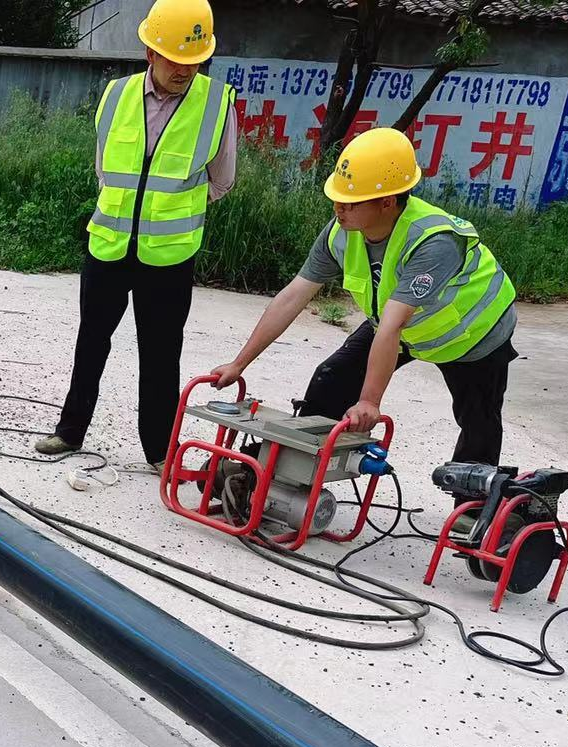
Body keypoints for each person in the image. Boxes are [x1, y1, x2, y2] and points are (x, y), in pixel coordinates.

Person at [209, 127, 519, 468]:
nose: (338, 208)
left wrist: (370, 401)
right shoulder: (342, 233)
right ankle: (290, 466)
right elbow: (293, 296)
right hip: (398, 324)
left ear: (387, 202)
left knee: (478, 422)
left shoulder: (433, 241)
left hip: (473, 334)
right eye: (337, 198)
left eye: (350, 202)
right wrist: (239, 364)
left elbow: (392, 325)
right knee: (333, 377)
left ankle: (473, 496)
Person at [34, 0, 236, 466]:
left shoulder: (216, 104)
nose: (184, 69)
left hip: (168, 254)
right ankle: (69, 432)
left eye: (194, 60)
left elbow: (221, 181)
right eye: (175, 59)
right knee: (91, 341)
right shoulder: (116, 95)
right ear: (150, 53)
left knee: (162, 354)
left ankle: (159, 451)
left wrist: (172, 211)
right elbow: (104, 169)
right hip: (108, 244)